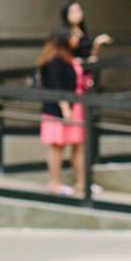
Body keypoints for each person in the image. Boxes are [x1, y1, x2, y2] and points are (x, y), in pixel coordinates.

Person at [37, 29, 87, 195]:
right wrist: (65, 108)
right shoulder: (55, 59)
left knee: (78, 144)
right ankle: (54, 182)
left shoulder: (68, 56)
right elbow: (56, 84)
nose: (76, 39)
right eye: (73, 36)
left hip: (75, 106)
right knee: (57, 146)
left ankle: (82, 182)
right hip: (58, 109)